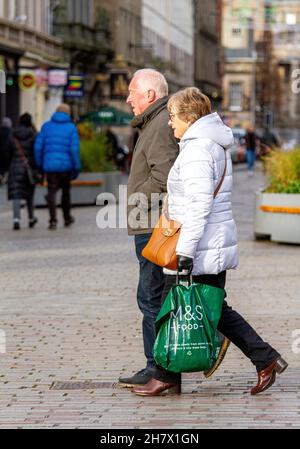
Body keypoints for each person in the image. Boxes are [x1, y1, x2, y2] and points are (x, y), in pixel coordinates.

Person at [132, 87, 288, 397]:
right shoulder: (206, 143)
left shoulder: (199, 149)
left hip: (198, 247)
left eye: (173, 116)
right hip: (208, 245)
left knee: (174, 305)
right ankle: (264, 359)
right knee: (212, 309)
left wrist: (185, 252)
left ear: (189, 117)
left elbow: (198, 205)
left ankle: (167, 375)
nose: (169, 122)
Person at [118, 69, 180, 388]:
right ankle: (161, 367)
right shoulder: (154, 122)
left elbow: (164, 176)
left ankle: (158, 368)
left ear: (150, 96)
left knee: (151, 296)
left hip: (154, 225)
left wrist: (134, 196)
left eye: (133, 92)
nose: (128, 98)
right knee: (151, 295)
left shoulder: (157, 126)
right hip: (149, 221)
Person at [34, 103, 81, 230]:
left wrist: (39, 165)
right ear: (68, 113)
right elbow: (74, 149)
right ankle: (67, 218)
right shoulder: (71, 128)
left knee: (51, 192)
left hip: (49, 167)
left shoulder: (46, 127)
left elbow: (38, 147)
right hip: (66, 167)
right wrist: (76, 167)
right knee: (66, 193)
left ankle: (53, 220)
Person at [7, 113, 38, 230]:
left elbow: (7, 152)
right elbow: (36, 152)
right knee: (29, 194)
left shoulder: (12, 135)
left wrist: (7, 167)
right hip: (29, 168)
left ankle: (16, 219)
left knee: (16, 194)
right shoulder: (33, 135)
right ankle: (31, 218)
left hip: (15, 167)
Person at [0, 117, 12, 183]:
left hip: (1, 152)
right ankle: (5, 178)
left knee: (1, 166)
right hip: (8, 152)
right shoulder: (11, 132)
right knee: (7, 166)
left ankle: (1, 175)